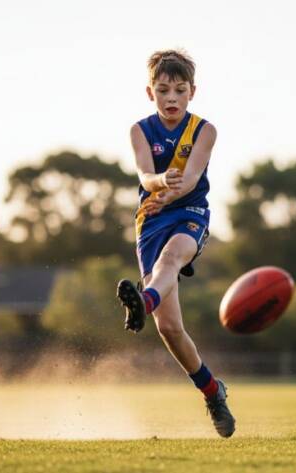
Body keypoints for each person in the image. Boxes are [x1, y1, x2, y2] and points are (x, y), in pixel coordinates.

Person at [116, 49, 235, 438]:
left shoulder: (205, 130)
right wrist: (157, 182)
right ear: (150, 93)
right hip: (150, 220)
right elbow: (145, 176)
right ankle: (213, 391)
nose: (171, 98)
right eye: (163, 90)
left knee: (171, 260)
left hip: (189, 215)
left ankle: (143, 301)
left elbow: (192, 173)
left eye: (179, 90)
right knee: (169, 328)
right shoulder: (139, 130)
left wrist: (172, 185)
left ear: (192, 92)